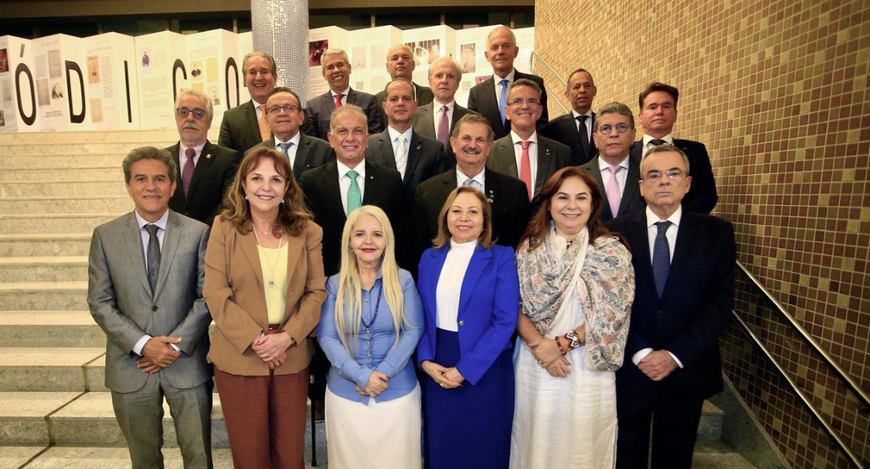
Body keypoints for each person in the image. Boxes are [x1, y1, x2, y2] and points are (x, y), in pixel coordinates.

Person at [608, 145, 735, 469]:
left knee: (675, 458)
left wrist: (674, 355)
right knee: (624, 454)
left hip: (686, 368)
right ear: (641, 186)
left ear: (688, 183)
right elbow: (608, 303)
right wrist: (640, 352)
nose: (664, 181)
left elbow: (720, 303)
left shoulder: (716, 233)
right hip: (629, 367)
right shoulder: (614, 232)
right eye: (654, 174)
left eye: (673, 173)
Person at [88, 146, 213, 469]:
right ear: (128, 185)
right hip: (130, 367)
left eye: (160, 179)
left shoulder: (198, 233)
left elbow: (207, 296)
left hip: (185, 363)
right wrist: (144, 345)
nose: (151, 186)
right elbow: (100, 302)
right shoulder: (105, 236)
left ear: (173, 186)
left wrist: (172, 347)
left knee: (198, 456)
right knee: (143, 459)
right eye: (140, 179)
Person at [203, 147, 327, 469]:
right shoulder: (224, 228)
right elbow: (215, 293)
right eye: (256, 178)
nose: (265, 187)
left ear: (287, 187)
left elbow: (316, 292)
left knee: (289, 455)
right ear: (243, 185)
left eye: (275, 179)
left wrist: (286, 338)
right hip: (240, 356)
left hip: (291, 357)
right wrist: (260, 340)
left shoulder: (308, 231)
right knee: (250, 455)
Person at [510, 166, 634, 469]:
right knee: (533, 441)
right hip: (534, 359)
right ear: (549, 203)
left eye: (581, 198)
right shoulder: (529, 249)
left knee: (581, 445)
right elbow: (512, 305)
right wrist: (543, 348)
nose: (571, 205)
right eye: (562, 197)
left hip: (586, 363)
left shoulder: (610, 251)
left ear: (593, 205)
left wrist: (562, 345)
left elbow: (612, 314)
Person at [416, 186, 519, 469]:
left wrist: (465, 369)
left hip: (485, 368)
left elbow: (505, 320)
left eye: (473, 211)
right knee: (443, 447)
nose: (464, 218)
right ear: (445, 217)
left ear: (485, 220)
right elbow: (419, 315)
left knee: (483, 448)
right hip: (438, 365)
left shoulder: (502, 257)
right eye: (457, 210)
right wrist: (425, 361)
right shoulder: (429, 257)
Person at [317, 206, 424, 469]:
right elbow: (327, 337)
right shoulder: (334, 283)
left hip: (397, 393)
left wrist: (382, 374)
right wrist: (361, 376)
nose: (368, 241)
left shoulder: (404, 280)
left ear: (387, 241)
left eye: (377, 234)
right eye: (360, 234)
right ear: (349, 242)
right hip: (346, 395)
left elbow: (413, 330)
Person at [413, 114, 530, 263]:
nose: (472, 145)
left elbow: (520, 248)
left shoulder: (514, 191)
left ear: (489, 147)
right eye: (466, 138)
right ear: (454, 144)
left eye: (480, 139)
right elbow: (418, 250)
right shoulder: (427, 192)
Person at [629, 82, 718, 214]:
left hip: (684, 230)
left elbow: (707, 195)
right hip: (634, 229)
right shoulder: (626, 152)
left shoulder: (695, 151)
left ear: (675, 114)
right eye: (652, 107)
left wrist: (676, 219)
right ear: (640, 116)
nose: (659, 112)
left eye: (666, 106)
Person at [485, 79, 570, 204]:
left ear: (540, 111)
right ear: (507, 111)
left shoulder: (561, 154)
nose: (525, 106)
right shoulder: (489, 152)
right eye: (518, 101)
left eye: (531, 101)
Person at [366, 78, 446, 208]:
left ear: (415, 106)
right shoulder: (368, 146)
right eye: (394, 99)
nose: (400, 103)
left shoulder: (434, 150)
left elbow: (437, 196)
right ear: (385, 107)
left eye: (406, 98)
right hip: (380, 225)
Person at [167, 89, 241, 227]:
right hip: (169, 239)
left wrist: (199, 234)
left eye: (198, 113)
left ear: (209, 121)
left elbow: (229, 204)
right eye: (183, 112)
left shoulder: (228, 159)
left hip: (210, 237)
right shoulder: (162, 159)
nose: (190, 118)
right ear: (176, 117)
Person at [468, 26, 548, 140]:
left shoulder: (534, 84)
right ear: (487, 56)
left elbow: (542, 124)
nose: (500, 52)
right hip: (491, 156)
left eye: (506, 46)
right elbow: (474, 130)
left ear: (515, 52)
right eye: (494, 47)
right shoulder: (476, 94)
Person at [248, 86, 333, 180]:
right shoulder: (253, 155)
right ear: (267, 120)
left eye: (289, 108)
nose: (282, 113)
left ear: (301, 117)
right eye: (275, 109)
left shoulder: (324, 150)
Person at [581, 102, 646, 222]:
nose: (614, 134)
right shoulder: (578, 176)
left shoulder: (646, 173)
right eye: (606, 128)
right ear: (595, 138)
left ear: (633, 135)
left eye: (621, 127)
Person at [305, 48, 383, 140]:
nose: (336, 70)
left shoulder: (369, 101)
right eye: (330, 67)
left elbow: (374, 139)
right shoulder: (313, 106)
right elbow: (312, 142)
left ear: (349, 68)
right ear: (324, 74)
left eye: (340, 65)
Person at [412, 56, 476, 164]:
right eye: (438, 76)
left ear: (457, 84)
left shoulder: (472, 119)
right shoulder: (413, 117)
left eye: (450, 76)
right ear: (430, 82)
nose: (444, 81)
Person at [218, 52, 278, 154]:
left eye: (264, 71)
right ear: (245, 79)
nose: (258, 77)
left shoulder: (293, 113)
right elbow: (225, 162)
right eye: (252, 72)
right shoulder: (231, 119)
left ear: (275, 77)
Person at [542, 68, 599, 165]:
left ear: (594, 91)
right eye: (576, 87)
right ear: (567, 95)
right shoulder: (553, 128)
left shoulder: (603, 124)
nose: (582, 90)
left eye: (587, 86)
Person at [374, 44, 435, 127]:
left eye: (405, 57)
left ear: (413, 65)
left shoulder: (430, 94)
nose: (400, 61)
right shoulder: (376, 100)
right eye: (395, 58)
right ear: (387, 67)